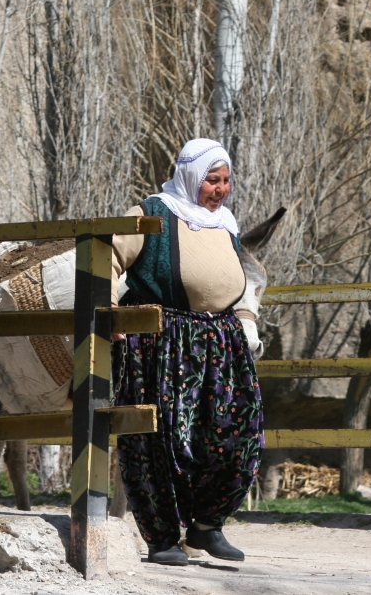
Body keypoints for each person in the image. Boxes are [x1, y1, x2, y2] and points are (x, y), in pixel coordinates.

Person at [111, 138, 263, 566]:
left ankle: (206, 526)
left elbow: (239, 279)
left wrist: (246, 314)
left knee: (237, 433)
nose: (220, 189)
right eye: (212, 180)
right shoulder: (151, 213)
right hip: (163, 341)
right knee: (162, 441)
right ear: (190, 177)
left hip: (221, 343)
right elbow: (105, 258)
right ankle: (161, 538)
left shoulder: (226, 223)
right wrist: (109, 316)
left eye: (226, 180)